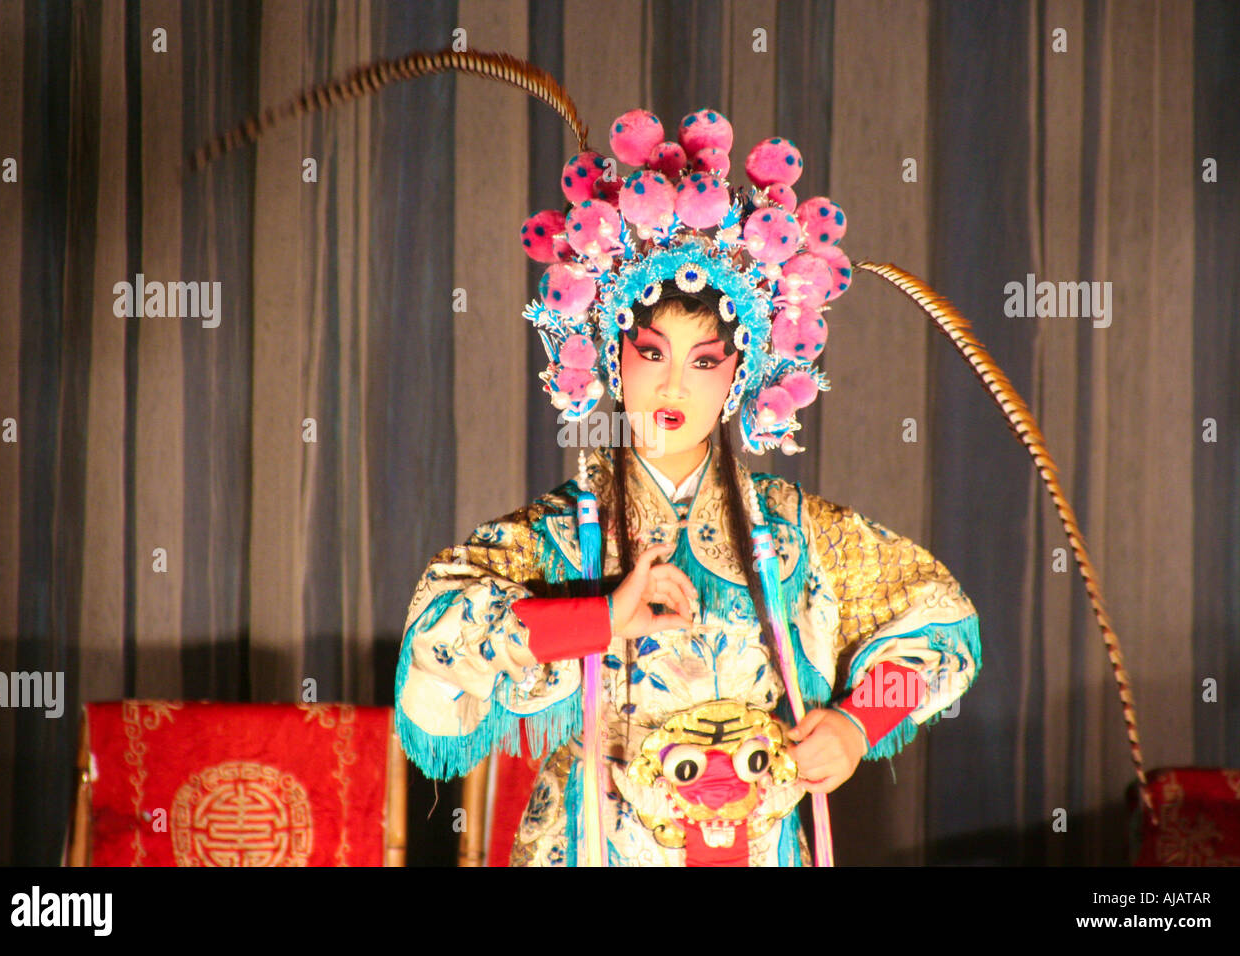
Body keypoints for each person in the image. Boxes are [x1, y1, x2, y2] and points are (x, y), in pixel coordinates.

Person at [394, 108, 981, 866]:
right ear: (610, 359)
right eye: (650, 352)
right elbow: (433, 639)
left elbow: (941, 629)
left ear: (743, 376)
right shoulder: (557, 539)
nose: (673, 382)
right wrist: (598, 618)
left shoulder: (799, 534)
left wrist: (857, 724)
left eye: (704, 360)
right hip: (594, 845)